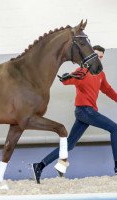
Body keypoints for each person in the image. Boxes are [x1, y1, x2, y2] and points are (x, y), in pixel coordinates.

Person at [32, 45, 117, 184]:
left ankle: (39, 166)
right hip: (84, 110)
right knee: (115, 129)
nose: (98, 59)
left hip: (88, 112)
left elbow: (108, 89)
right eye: (96, 56)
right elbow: (68, 80)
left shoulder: (100, 74)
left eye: (101, 57)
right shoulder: (81, 71)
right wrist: (65, 78)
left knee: (70, 144)